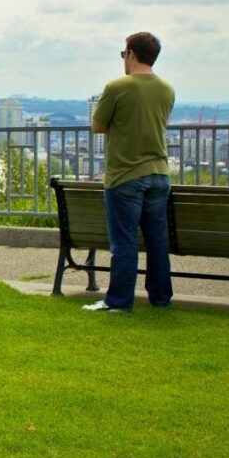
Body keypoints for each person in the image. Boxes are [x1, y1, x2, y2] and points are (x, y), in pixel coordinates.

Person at [84, 32, 175, 313]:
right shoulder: (167, 89)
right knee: (157, 241)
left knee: (124, 242)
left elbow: (98, 126)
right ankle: (160, 298)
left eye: (124, 54)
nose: (124, 59)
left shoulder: (117, 87)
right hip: (159, 174)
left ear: (132, 54)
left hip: (125, 176)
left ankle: (119, 301)